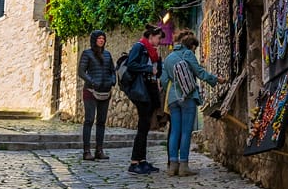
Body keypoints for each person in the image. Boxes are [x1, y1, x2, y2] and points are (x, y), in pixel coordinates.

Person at [160, 30, 219, 176]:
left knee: (175, 131)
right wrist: (216, 80)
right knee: (186, 132)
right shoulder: (188, 54)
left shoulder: (168, 58)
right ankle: (184, 166)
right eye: (195, 48)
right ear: (191, 45)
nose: (195, 50)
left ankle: (172, 166)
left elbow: (163, 81)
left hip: (173, 99)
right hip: (188, 97)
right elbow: (200, 72)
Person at [123, 24, 164, 175]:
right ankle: (134, 162)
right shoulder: (139, 47)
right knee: (142, 126)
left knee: (145, 127)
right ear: (151, 36)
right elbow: (132, 65)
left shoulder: (153, 52)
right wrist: (147, 69)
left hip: (150, 90)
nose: (159, 41)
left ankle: (142, 160)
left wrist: (158, 60)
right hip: (141, 91)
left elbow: (157, 72)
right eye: (158, 38)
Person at [77, 30, 115, 161]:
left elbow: (112, 70)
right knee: (89, 120)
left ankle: (99, 150)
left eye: (103, 38)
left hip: (105, 91)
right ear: (94, 40)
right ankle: (86, 151)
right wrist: (92, 81)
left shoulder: (108, 54)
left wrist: (112, 80)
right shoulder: (87, 54)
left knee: (101, 122)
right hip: (91, 91)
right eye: (99, 38)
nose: (101, 40)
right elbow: (81, 71)